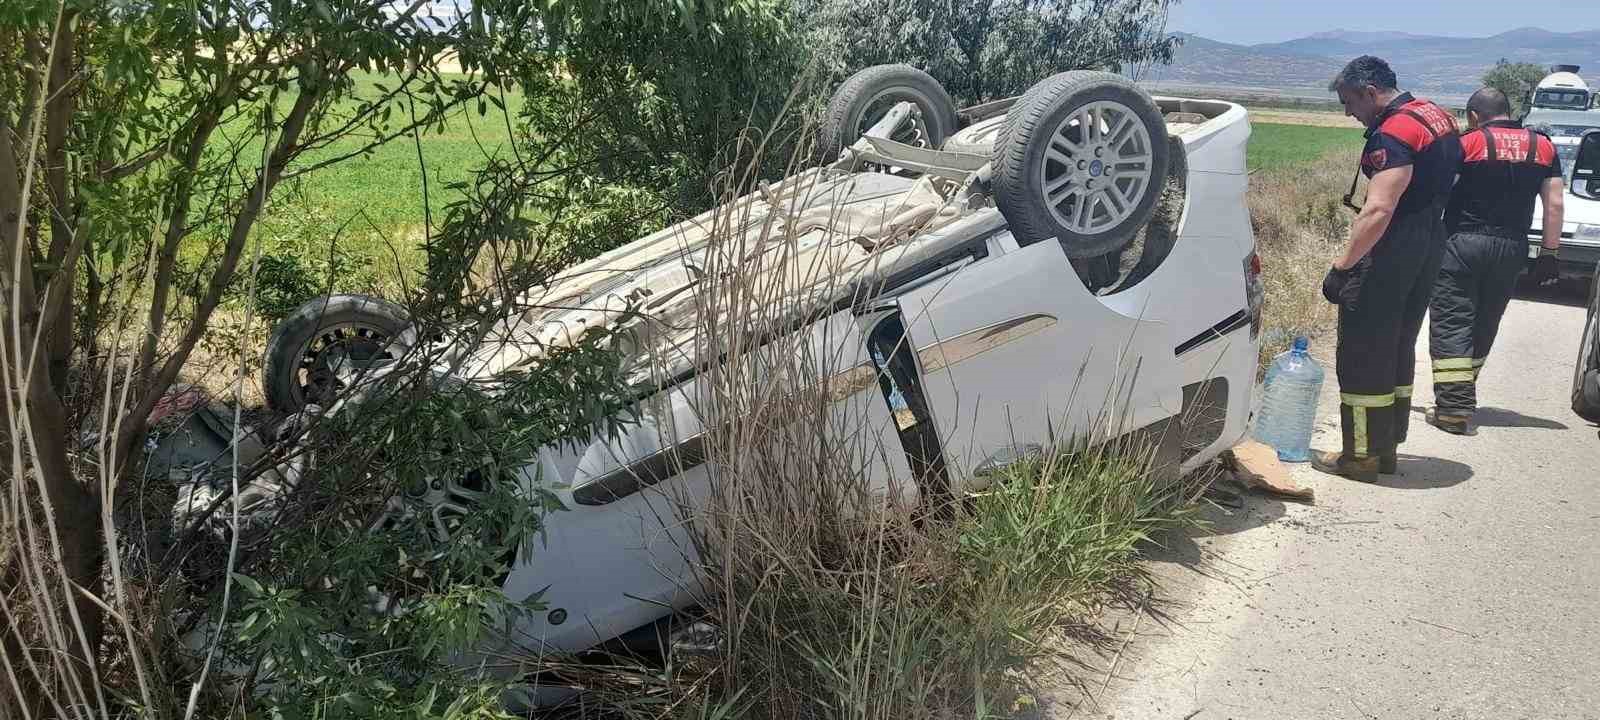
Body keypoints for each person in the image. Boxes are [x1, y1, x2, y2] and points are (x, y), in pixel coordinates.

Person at [1313, 56, 1461, 483]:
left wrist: (1343, 267)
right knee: (1396, 346)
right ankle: (1387, 449)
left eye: (1349, 101)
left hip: (1392, 247)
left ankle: (1360, 456)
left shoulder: (1395, 132)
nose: (1347, 112)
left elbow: (1378, 208)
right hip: (1431, 240)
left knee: (1362, 352)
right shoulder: (1437, 116)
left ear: (1370, 92)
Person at [1425, 87, 1564, 435]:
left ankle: (1454, 409)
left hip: (1463, 243)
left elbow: (1439, 194)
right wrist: (1549, 254)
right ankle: (1461, 393)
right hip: (1512, 246)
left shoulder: (1468, 143)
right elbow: (1555, 204)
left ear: (1474, 116)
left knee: (1454, 321)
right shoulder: (1543, 146)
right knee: (1486, 320)